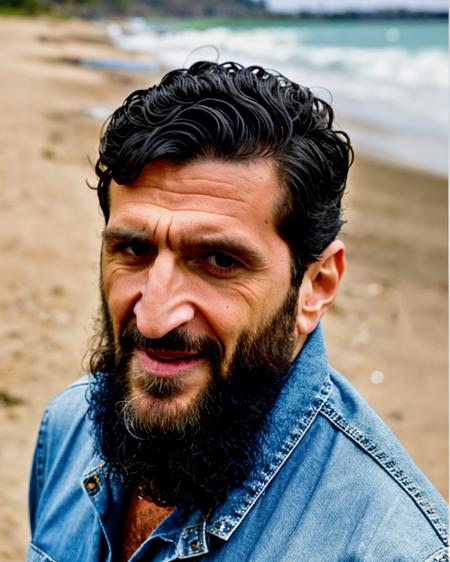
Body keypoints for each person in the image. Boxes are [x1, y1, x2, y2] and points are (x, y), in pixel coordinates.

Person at [27, 61, 448, 562]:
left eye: (219, 261)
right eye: (134, 251)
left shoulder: (390, 548)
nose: (156, 317)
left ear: (316, 285)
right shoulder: (70, 426)